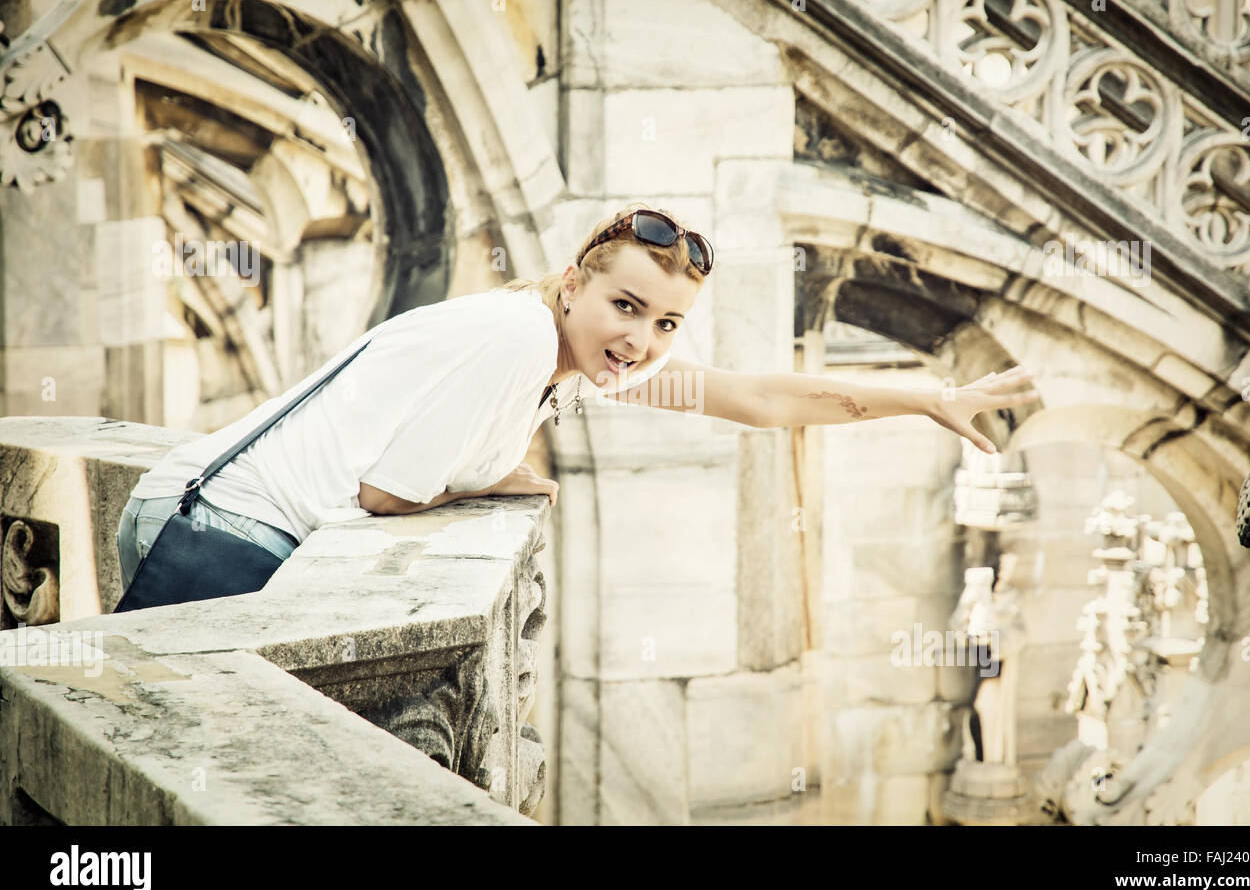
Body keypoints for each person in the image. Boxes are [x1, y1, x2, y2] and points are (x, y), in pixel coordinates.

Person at [117, 201, 1038, 596]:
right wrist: (480, 483)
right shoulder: (521, 337)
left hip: (225, 527)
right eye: (626, 307)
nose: (641, 341)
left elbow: (756, 398)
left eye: (668, 323)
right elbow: (387, 496)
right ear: (573, 284)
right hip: (215, 531)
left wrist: (927, 398)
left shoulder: (569, 356)